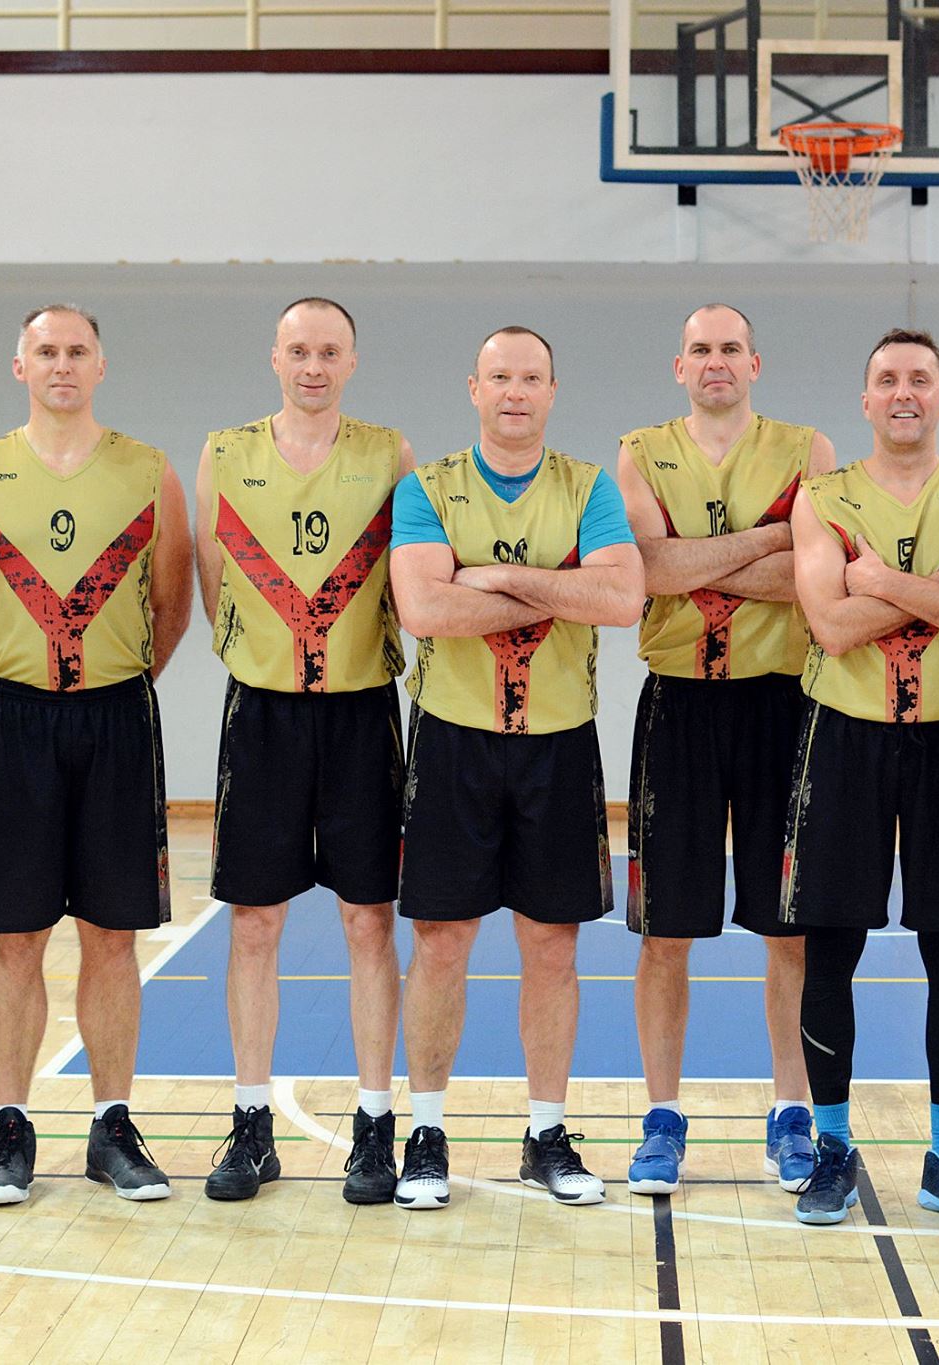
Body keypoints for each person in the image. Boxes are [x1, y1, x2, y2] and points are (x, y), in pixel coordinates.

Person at [0, 304, 194, 1206]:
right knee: (16, 936)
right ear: (20, 367)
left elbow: (170, 606)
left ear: (101, 365)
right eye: (46, 351)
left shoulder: (149, 472)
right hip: (12, 719)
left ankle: (112, 1125)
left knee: (114, 935)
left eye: (78, 350)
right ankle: (10, 1126)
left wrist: (110, 682)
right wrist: (10, 692)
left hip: (118, 716)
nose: (62, 364)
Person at [386, 326, 644, 1210]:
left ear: (552, 390)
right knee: (440, 943)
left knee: (552, 946)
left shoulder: (589, 486)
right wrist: (557, 584)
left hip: (558, 740)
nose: (515, 392)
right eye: (500, 376)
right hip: (452, 739)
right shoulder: (427, 488)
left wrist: (491, 576)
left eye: (531, 377)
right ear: (474, 387)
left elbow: (622, 598)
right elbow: (424, 609)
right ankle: (426, 1132)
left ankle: (545, 1134)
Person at [783, 329, 939, 1225]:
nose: (904, 392)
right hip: (843, 735)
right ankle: (833, 1148)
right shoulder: (822, 498)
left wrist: (880, 580)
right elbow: (831, 627)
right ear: (866, 399)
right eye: (887, 379)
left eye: (921, 378)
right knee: (830, 949)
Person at [197, 298, 414, 1204]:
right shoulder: (224, 453)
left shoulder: (390, 454)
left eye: (330, 351)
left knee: (369, 923)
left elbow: (405, 583)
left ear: (352, 362)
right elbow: (214, 585)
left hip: (362, 713)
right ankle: (251, 1125)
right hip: (264, 715)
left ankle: (374, 1125)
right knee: (254, 924)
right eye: (299, 350)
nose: (313, 365)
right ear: (275, 357)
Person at [616, 303, 836, 1199]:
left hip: (784, 704)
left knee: (791, 929)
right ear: (680, 366)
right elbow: (649, 570)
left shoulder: (809, 451)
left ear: (755, 363)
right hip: (679, 704)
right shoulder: (640, 452)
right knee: (665, 931)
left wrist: (694, 555)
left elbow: (812, 577)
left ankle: (791, 1113)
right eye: (701, 349)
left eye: (731, 348)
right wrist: (770, 539)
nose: (716, 361)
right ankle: (663, 1118)